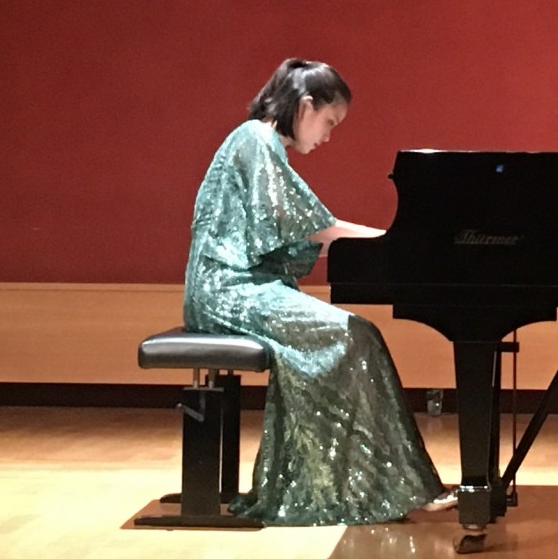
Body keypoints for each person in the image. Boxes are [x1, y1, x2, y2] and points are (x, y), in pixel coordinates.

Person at [183, 58, 453, 525]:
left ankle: (370, 485)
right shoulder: (256, 140)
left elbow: (302, 227)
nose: (328, 135)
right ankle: (377, 487)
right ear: (305, 106)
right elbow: (313, 226)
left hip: (239, 286)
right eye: (329, 121)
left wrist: (388, 242)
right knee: (355, 335)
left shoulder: (261, 143)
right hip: (225, 289)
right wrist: (394, 241)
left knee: (355, 335)